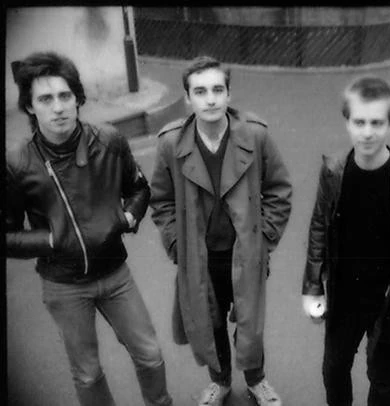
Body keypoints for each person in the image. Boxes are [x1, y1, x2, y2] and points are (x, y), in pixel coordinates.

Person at [6, 52, 172, 406]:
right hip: (63, 285)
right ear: (31, 107)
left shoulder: (109, 140)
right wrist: (51, 239)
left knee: (150, 354)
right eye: (45, 99)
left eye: (65, 96)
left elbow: (139, 188)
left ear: (77, 98)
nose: (58, 107)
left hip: (115, 274)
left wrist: (128, 218)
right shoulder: (18, 163)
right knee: (88, 373)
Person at [150, 55, 292, 406]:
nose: (210, 99)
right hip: (199, 255)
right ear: (188, 99)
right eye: (200, 92)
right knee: (208, 320)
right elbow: (162, 200)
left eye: (217, 90)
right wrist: (176, 244)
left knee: (249, 321)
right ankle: (221, 381)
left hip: (245, 251)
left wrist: (264, 239)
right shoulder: (171, 143)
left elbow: (279, 190)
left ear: (229, 94)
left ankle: (257, 381)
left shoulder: (255, 136)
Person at [301, 76, 390, 406]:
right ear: (347, 121)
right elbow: (319, 225)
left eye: (376, 123)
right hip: (344, 294)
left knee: (381, 372)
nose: (367, 132)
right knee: (334, 369)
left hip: (389, 298)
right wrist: (313, 285)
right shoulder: (333, 171)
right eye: (359, 122)